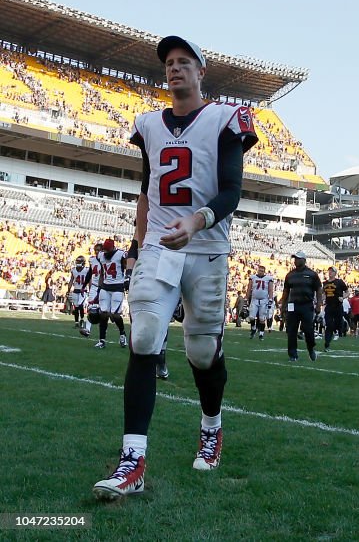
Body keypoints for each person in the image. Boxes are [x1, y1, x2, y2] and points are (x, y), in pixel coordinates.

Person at [93, 36, 258, 501]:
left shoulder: (224, 118)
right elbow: (148, 191)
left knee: (202, 354)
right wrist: (136, 244)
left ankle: (211, 426)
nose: (175, 68)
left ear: (201, 72)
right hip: (160, 246)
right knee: (144, 337)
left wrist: (198, 219)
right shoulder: (147, 124)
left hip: (206, 247)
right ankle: (133, 461)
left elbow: (231, 189)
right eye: (169, 62)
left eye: (185, 62)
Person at [279, 251, 324, 361]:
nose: (295, 261)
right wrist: (283, 306)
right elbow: (286, 291)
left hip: (306, 305)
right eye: (295, 259)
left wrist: (319, 304)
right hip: (293, 305)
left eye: (298, 259)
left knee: (308, 330)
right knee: (291, 330)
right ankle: (293, 355)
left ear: (304, 260)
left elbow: (319, 289)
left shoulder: (312, 274)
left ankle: (311, 348)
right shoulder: (290, 275)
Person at [95, 238, 129, 349]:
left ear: (113, 248)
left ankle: (122, 334)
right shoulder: (100, 255)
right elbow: (102, 272)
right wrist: (99, 287)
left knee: (115, 314)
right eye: (105, 250)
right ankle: (102, 340)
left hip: (118, 287)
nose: (106, 253)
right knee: (103, 313)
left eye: (108, 250)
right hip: (105, 287)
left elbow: (127, 265)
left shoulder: (121, 254)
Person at [246, 265, 275, 340]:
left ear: (264, 272)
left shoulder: (268, 279)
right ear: (257, 270)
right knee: (251, 317)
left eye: (262, 271)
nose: (260, 272)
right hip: (254, 299)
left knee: (262, 318)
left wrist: (270, 299)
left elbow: (270, 290)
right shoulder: (253, 277)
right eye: (259, 270)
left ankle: (261, 334)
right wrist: (246, 298)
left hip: (264, 300)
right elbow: (249, 288)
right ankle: (253, 328)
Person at [322, 266, 348, 349]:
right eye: (329, 271)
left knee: (338, 323)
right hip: (329, 306)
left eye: (332, 271)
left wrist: (343, 297)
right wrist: (321, 299)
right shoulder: (325, 283)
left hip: (338, 306)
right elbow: (322, 293)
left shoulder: (339, 282)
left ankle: (337, 332)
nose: (330, 273)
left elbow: (347, 292)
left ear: (335, 273)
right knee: (329, 324)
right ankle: (327, 342)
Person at [67, 255, 90, 329]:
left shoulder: (86, 270)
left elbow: (89, 280)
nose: (77, 263)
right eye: (77, 261)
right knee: (76, 307)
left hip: (83, 291)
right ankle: (76, 322)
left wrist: (90, 289)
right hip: (76, 290)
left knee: (80, 305)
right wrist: (68, 289)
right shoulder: (73, 270)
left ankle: (82, 320)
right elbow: (71, 280)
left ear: (83, 263)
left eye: (79, 262)